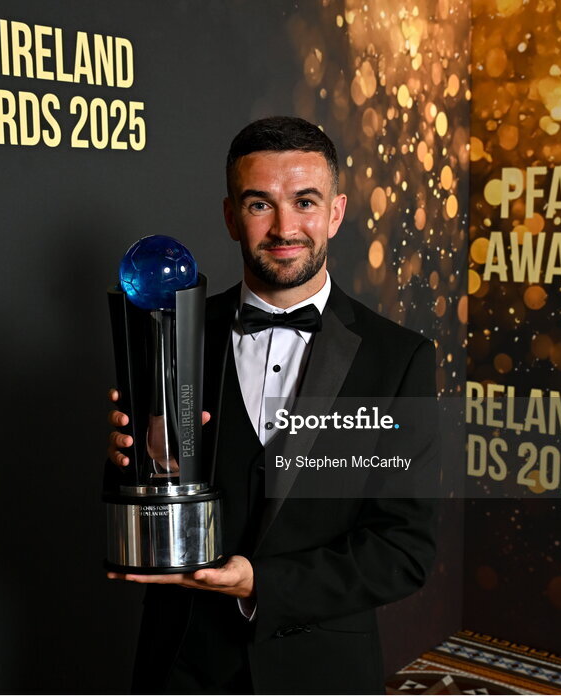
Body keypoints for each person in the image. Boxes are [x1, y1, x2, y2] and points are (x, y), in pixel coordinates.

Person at [104, 116, 439, 694]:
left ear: (335, 212)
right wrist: (132, 458)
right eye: (260, 204)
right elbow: (136, 492)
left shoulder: (399, 359)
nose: (285, 227)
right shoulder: (169, 332)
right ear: (231, 217)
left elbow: (403, 550)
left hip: (322, 672)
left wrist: (261, 582)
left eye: (305, 201)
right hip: (182, 666)